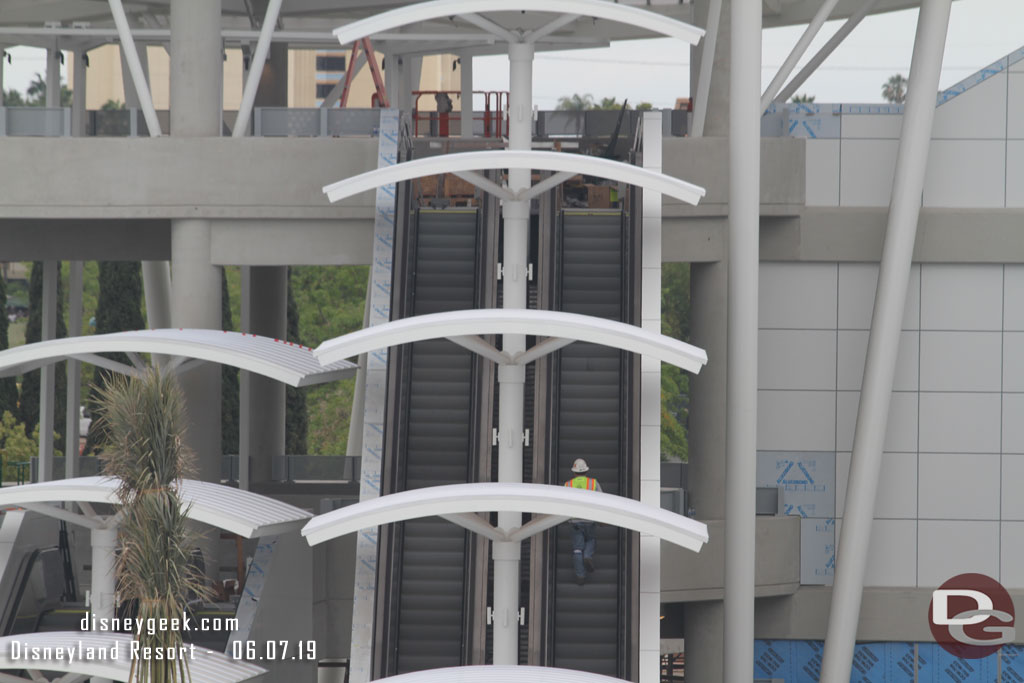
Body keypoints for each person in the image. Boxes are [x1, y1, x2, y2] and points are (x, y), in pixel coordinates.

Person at [563, 458, 602, 586]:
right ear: (586, 471)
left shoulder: (568, 485)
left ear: (574, 472)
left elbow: (563, 502)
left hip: (575, 521)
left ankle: (580, 575)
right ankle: (588, 555)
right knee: (591, 540)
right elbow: (602, 500)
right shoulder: (593, 483)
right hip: (589, 519)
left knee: (577, 549)